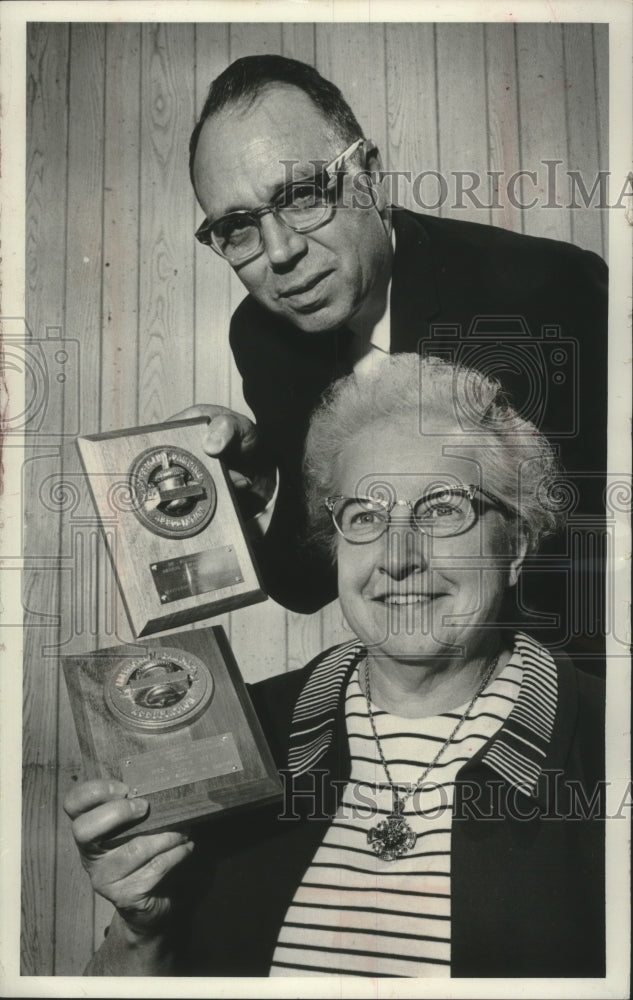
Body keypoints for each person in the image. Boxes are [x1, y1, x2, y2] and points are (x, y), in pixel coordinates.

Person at [65, 356, 605, 978]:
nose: (397, 558)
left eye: (441, 509)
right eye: (366, 517)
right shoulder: (239, 733)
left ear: (514, 545)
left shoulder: (606, 741)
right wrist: (140, 931)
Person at [177, 54, 608, 667]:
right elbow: (304, 584)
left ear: (367, 176)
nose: (278, 252)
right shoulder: (262, 333)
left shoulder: (546, 293)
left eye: (301, 196)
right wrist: (264, 488)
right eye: (239, 227)